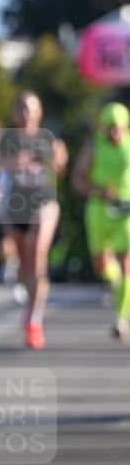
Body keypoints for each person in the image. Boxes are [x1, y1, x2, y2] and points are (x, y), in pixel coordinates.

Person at [0, 92, 68, 349]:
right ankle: (30, 309)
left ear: (39, 112)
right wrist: (13, 163)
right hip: (16, 206)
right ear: (16, 112)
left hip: (44, 203)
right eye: (22, 108)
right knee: (26, 266)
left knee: (38, 257)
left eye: (32, 108)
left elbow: (60, 164)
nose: (27, 113)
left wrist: (59, 158)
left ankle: (34, 320)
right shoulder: (8, 139)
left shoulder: (48, 138)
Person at [73, 102, 130, 342]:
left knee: (126, 262)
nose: (115, 133)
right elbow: (78, 180)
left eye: (119, 128)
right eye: (110, 128)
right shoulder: (93, 144)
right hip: (99, 211)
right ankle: (116, 284)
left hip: (126, 211)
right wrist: (98, 191)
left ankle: (121, 319)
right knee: (101, 265)